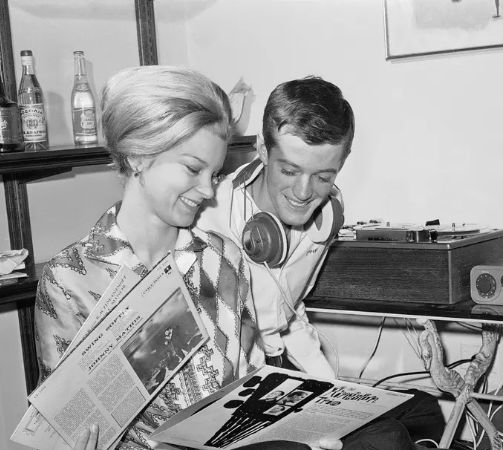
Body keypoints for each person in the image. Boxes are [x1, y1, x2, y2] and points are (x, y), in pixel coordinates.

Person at [34, 65, 267, 449]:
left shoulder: (223, 259)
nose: (208, 189)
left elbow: (249, 389)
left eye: (215, 172)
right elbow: (60, 426)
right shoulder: (71, 279)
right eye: (193, 169)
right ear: (139, 156)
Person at [195, 76, 353, 378]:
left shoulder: (327, 213)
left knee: (418, 412)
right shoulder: (210, 215)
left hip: (278, 362)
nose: (304, 192)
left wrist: (331, 385)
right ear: (263, 150)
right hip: (226, 371)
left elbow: (288, 314)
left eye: (323, 177)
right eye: (290, 170)